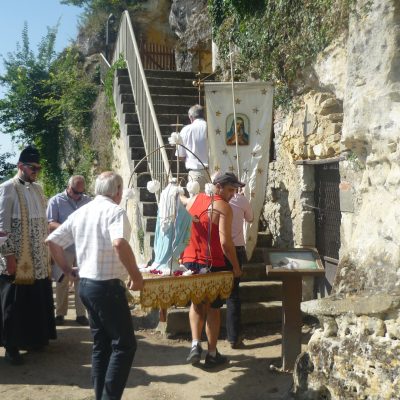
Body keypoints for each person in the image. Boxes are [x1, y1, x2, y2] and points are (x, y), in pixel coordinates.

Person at [46, 171, 144, 400]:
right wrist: (136, 275)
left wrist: (67, 270)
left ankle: (101, 395)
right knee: (125, 345)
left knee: (102, 344)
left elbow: (52, 240)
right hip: (107, 287)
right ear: (118, 191)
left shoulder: (82, 212)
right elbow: (119, 243)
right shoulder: (115, 211)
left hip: (87, 286)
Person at [0, 145, 56, 365]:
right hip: (18, 256)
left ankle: (34, 339)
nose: (36, 172)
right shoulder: (7, 188)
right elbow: (2, 226)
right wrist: (9, 255)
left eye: (38, 168)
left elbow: (42, 222)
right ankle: (11, 346)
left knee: (36, 298)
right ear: (20, 166)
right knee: (13, 303)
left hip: (38, 256)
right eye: (33, 168)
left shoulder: (38, 189)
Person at [180, 171, 242, 368]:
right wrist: (236, 267)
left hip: (191, 260)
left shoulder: (195, 199)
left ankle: (195, 344)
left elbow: (183, 205)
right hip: (213, 261)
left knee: (197, 303)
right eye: (231, 190)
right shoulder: (224, 207)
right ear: (218, 187)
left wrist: (176, 193)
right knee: (214, 308)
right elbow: (225, 242)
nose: (233, 194)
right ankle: (212, 353)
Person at [47, 175, 92, 326]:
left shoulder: (87, 201)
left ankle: (81, 314)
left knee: (81, 279)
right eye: (75, 192)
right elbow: (50, 222)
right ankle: (60, 314)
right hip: (63, 247)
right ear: (68, 187)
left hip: (82, 246)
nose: (79, 195)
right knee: (62, 280)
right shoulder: (56, 200)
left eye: (81, 192)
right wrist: (68, 228)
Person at [226, 188, 253, 348]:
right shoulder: (240, 199)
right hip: (236, 248)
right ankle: (234, 337)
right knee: (233, 294)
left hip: (218, 250)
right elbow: (251, 218)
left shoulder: (214, 200)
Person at [176, 104, 209, 191]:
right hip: (214, 171)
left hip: (196, 173)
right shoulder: (211, 128)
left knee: (196, 202)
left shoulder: (186, 130)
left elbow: (180, 155)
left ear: (191, 117)